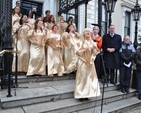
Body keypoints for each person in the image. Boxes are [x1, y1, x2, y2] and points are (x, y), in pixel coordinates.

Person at [74, 28, 100, 100]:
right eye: (86, 31)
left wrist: (94, 49)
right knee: (82, 77)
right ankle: (81, 95)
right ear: (84, 33)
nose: (88, 32)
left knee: (89, 78)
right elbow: (77, 51)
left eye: (89, 31)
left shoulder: (92, 42)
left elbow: (95, 53)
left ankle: (87, 94)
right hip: (82, 61)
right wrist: (86, 48)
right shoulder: (80, 41)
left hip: (90, 62)